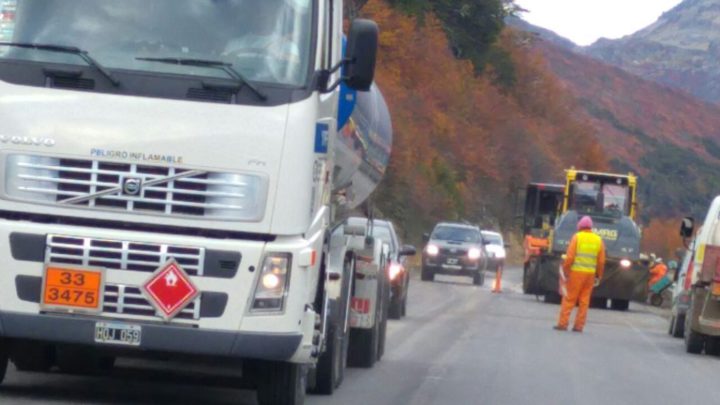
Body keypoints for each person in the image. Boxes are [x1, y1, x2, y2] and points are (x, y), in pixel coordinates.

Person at [554, 216, 606, 333]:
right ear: (591, 227)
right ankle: (578, 326)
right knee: (584, 301)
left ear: (580, 226)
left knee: (569, 299)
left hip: (576, 274)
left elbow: (570, 257)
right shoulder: (598, 240)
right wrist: (599, 275)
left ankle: (563, 324)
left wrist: (566, 271)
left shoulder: (577, 237)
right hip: (590, 276)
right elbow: (601, 261)